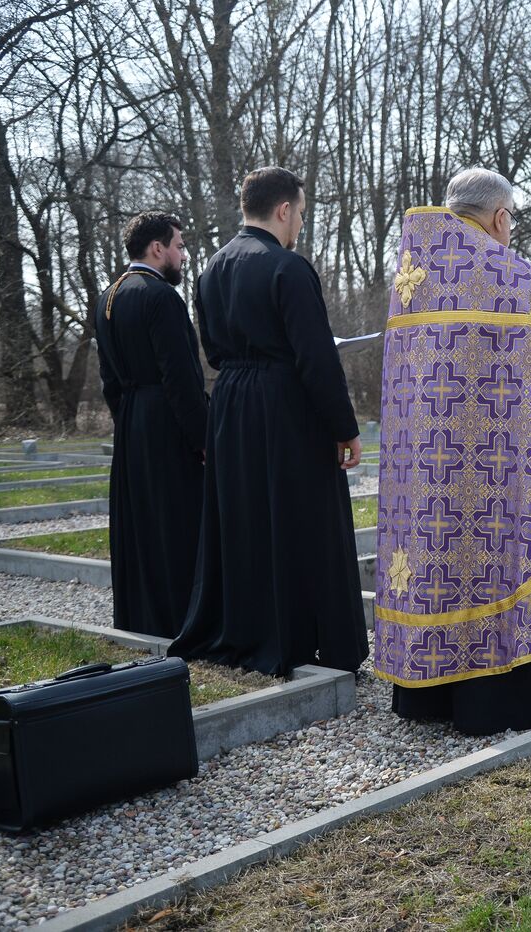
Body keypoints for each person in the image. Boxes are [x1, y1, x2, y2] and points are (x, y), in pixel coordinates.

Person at [373, 168, 531, 735]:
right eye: (512, 219)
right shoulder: (518, 278)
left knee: (434, 563)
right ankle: (498, 700)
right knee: (495, 565)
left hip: (425, 477)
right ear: (499, 218)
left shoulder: (411, 281)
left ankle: (426, 699)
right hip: (496, 474)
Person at [171, 167, 368, 677]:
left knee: (246, 515)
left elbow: (212, 350)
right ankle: (302, 637)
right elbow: (316, 361)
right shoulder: (287, 267)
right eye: (300, 212)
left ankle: (247, 627)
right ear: (283, 210)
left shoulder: (210, 270)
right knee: (300, 514)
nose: (300, 222)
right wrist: (344, 427)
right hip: (283, 404)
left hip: (231, 402)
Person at [94, 211, 208, 638]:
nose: (182, 254)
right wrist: (202, 438)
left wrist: (127, 422)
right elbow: (181, 379)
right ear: (157, 248)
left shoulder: (108, 296)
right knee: (175, 524)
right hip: (165, 424)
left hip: (130, 423)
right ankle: (181, 621)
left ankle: (143, 621)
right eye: (178, 246)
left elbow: (109, 380)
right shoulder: (161, 297)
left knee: (142, 526)